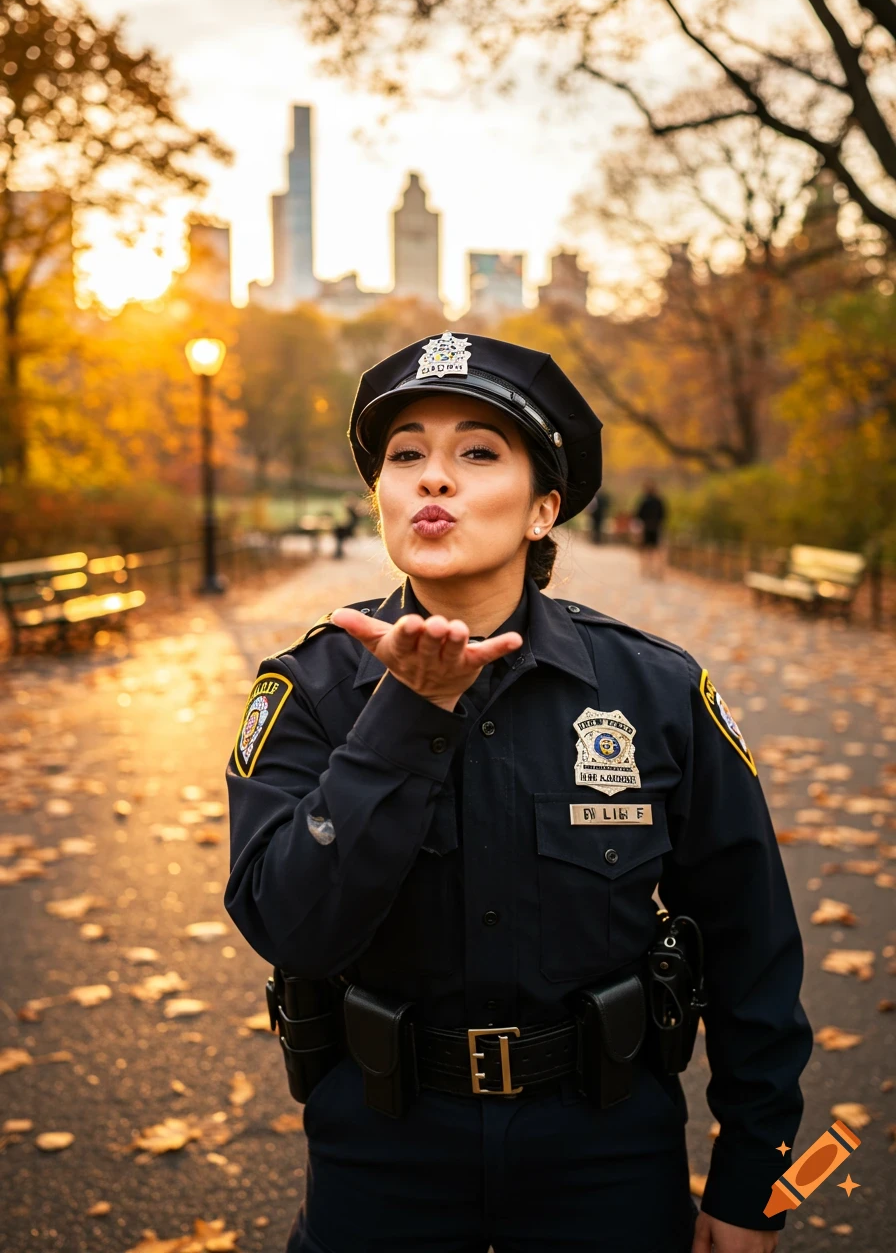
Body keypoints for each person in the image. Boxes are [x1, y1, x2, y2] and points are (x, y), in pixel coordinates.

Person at [224, 332, 813, 1253]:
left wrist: (757, 1185)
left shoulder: (652, 691)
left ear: (544, 509)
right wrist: (404, 717)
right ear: (378, 496)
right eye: (406, 454)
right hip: (380, 1162)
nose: (433, 479)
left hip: (607, 1157)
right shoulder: (309, 690)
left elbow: (754, 951)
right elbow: (290, 927)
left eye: (478, 452)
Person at [635, 480, 667, 579]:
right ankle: (658, 571)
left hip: (646, 528)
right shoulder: (659, 501)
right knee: (658, 550)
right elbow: (664, 515)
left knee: (645, 550)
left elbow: (638, 515)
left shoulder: (644, 501)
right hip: (657, 527)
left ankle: (646, 569)